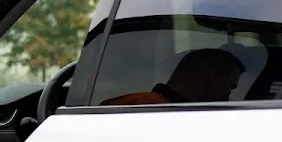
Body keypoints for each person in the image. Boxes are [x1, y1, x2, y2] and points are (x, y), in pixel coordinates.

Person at [102, 46, 246, 105]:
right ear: (215, 76)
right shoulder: (141, 106)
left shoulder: (148, 105)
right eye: (231, 87)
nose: (229, 95)